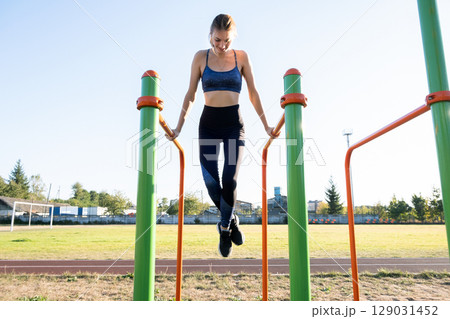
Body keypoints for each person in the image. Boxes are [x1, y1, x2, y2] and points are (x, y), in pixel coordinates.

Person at [166, 14, 278, 257]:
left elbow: (253, 94)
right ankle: (233, 219)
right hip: (208, 125)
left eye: (226, 40)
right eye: (217, 40)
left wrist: (267, 126)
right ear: (210, 35)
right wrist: (178, 128)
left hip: (233, 126)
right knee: (210, 183)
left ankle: (225, 228)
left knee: (230, 181)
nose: (221, 45)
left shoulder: (242, 57)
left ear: (233, 37)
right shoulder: (200, 57)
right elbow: (190, 95)